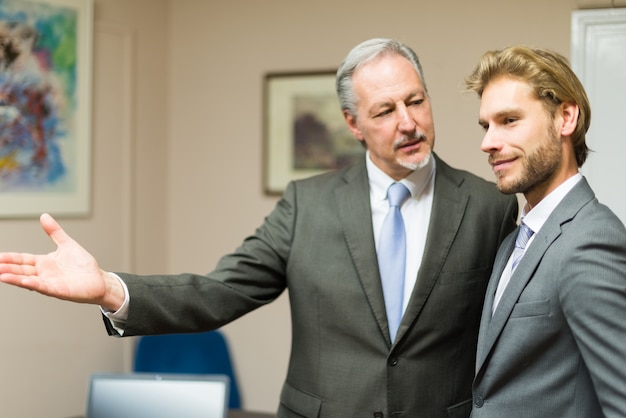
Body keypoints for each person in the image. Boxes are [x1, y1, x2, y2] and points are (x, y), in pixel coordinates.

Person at [0, 38, 518, 417]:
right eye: (384, 110)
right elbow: (219, 292)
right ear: (353, 124)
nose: (408, 122)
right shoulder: (306, 205)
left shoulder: (489, 206)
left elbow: (512, 340)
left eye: (416, 100)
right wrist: (110, 288)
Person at [465, 45, 626, 418]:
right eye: (486, 125)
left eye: (509, 120)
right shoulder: (514, 241)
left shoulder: (591, 241)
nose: (488, 142)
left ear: (565, 118)